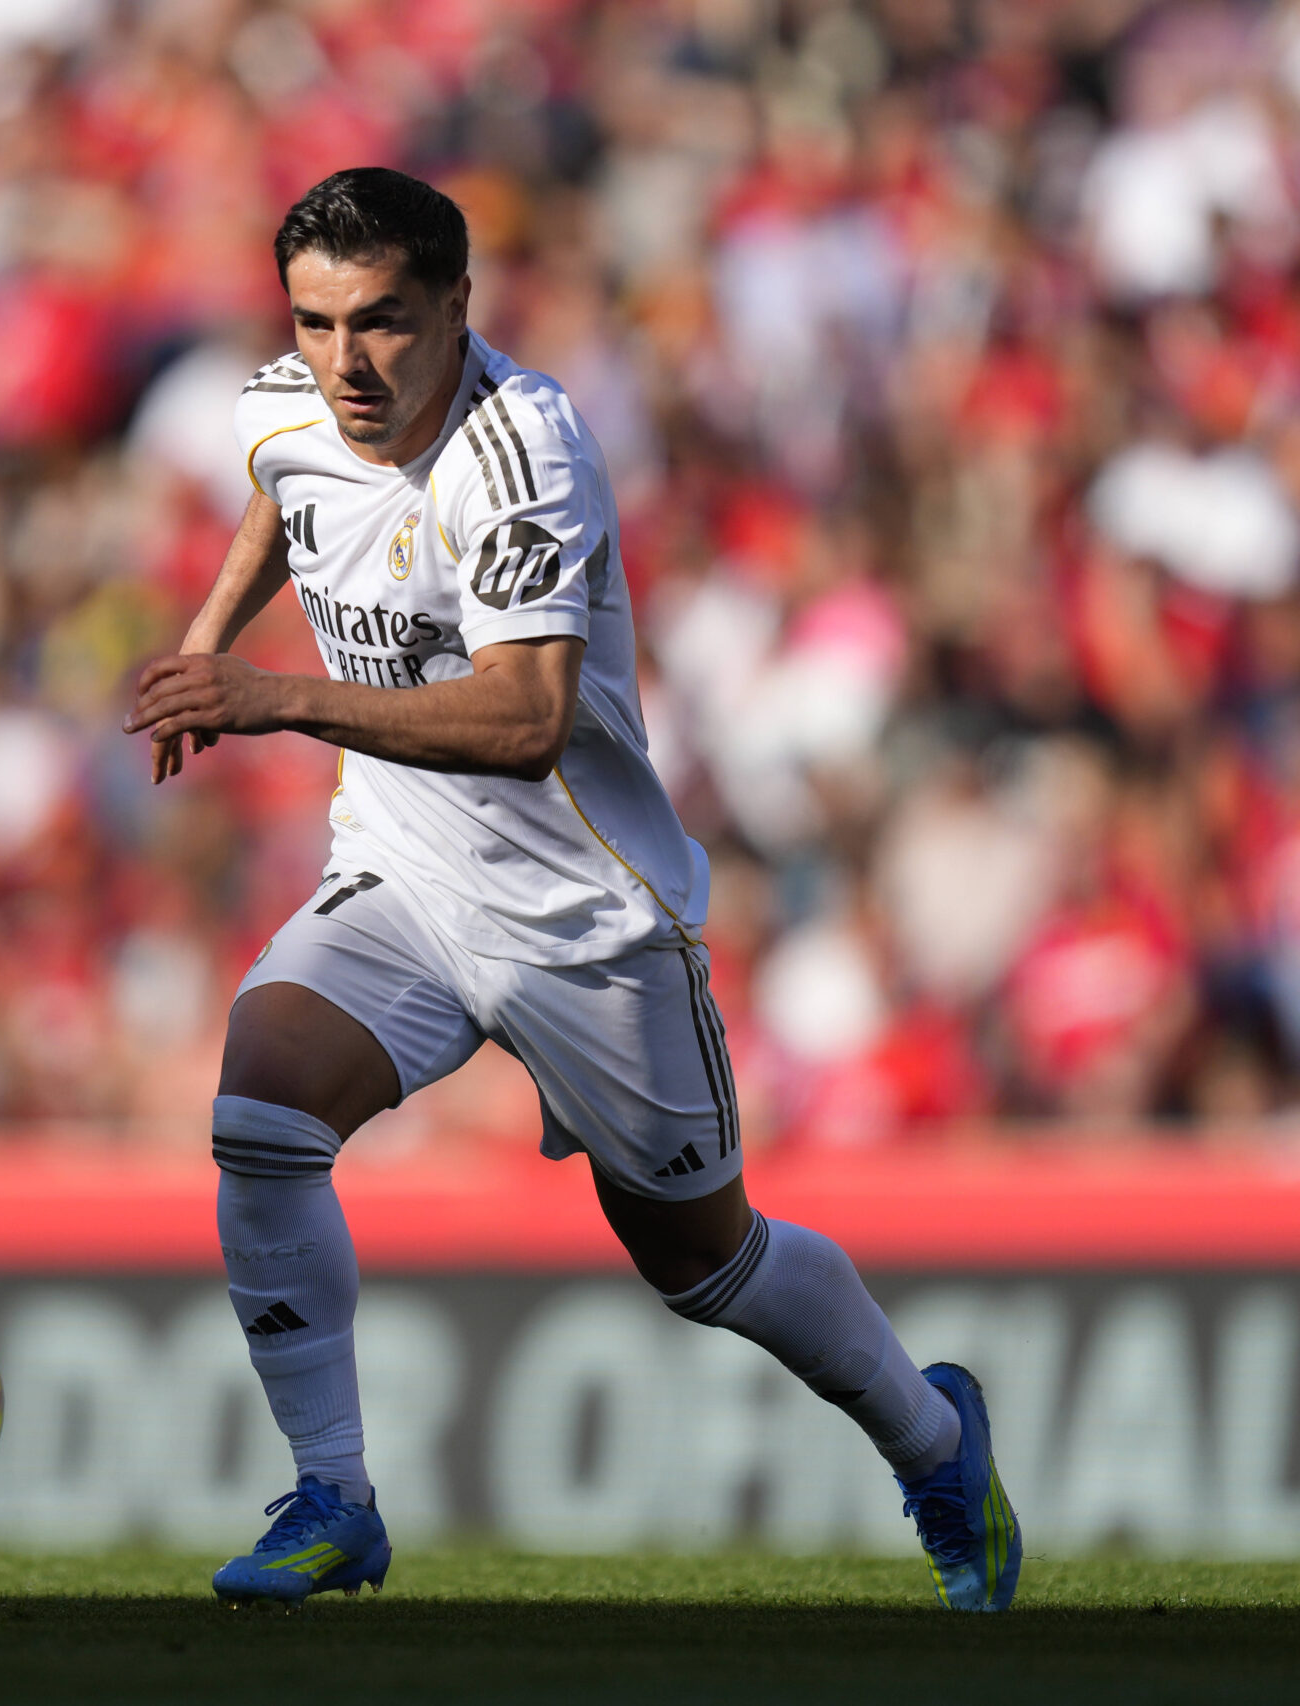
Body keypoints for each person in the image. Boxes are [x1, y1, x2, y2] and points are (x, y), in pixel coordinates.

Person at [124, 168, 1019, 1612]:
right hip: (406, 874)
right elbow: (284, 493)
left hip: (583, 919)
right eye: (317, 323)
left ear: (460, 306)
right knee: (262, 1109)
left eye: (386, 323)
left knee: (701, 1261)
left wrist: (268, 693)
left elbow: (525, 717)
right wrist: (200, 643)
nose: (348, 363)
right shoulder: (285, 401)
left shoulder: (525, 450)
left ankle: (934, 1435)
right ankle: (334, 1495)